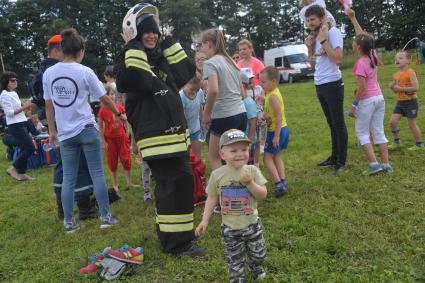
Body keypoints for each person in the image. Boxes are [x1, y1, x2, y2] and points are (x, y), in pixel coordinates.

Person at [115, 3, 203, 256]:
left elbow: (187, 72)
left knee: (183, 182)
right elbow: (140, 80)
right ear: (135, 33)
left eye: (155, 32)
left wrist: (169, 41)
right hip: (156, 139)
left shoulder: (160, 58)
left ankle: (179, 237)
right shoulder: (126, 61)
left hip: (175, 136)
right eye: (146, 32)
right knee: (170, 185)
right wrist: (132, 46)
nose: (151, 36)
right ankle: (175, 244)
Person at [44, 28, 123, 233]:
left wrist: (52, 130)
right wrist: (119, 114)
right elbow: (104, 99)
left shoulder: (49, 73)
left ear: (62, 49)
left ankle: (69, 222)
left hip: (65, 134)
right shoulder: (85, 71)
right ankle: (105, 217)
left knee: (68, 177)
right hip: (87, 129)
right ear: (80, 51)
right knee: (97, 173)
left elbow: (48, 106)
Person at [195, 129, 267, 282]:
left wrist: (250, 183)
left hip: (252, 225)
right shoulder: (218, 175)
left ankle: (255, 265)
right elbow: (212, 198)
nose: (240, 154)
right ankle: (237, 278)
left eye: (244, 149)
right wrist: (205, 220)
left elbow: (262, 194)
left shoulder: (252, 171)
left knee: (259, 255)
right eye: (233, 150)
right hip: (230, 228)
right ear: (222, 154)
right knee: (234, 260)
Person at [347, 9, 392, 175]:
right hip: (379, 99)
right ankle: (386, 164)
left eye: (354, 42)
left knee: (362, 133)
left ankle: (374, 164)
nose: (353, 43)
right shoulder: (373, 55)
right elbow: (364, 37)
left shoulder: (360, 63)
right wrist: (353, 18)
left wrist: (354, 106)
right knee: (378, 131)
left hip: (366, 101)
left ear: (358, 47)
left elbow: (362, 88)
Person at [305, 5, 347, 174]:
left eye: (312, 19)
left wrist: (323, 41)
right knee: (331, 123)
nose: (309, 23)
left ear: (322, 18)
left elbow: (338, 59)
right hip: (320, 83)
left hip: (333, 83)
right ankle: (334, 157)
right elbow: (313, 65)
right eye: (307, 20)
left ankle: (341, 162)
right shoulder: (315, 37)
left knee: (338, 123)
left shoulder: (333, 32)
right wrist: (309, 47)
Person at [201, 28, 247, 171]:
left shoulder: (210, 63)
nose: (202, 49)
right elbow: (242, 92)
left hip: (223, 116)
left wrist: (206, 114)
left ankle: (223, 191)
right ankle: (242, 186)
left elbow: (213, 90)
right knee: (237, 156)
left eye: (202, 45)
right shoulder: (231, 62)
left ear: (208, 44)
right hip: (241, 113)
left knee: (215, 157)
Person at [98, 84, 137, 192]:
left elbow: (126, 122)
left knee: (126, 159)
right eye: (109, 94)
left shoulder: (120, 108)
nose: (111, 96)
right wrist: (103, 142)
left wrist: (127, 134)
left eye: (113, 94)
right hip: (110, 140)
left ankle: (129, 182)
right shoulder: (102, 111)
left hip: (121, 138)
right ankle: (115, 184)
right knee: (112, 161)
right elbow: (100, 127)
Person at [259, 66, 290, 196]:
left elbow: (278, 116)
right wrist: (264, 116)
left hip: (276, 131)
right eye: (260, 81)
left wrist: (276, 136)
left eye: (264, 82)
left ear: (273, 81)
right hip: (283, 128)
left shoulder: (272, 96)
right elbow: (271, 113)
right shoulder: (272, 93)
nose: (261, 84)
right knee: (277, 155)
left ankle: (278, 185)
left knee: (267, 158)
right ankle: (282, 181)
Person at [0, 71, 35, 181]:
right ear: (6, 82)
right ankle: (13, 168)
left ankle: (22, 173)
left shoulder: (14, 93)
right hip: (14, 125)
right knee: (30, 147)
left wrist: (27, 107)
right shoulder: (4, 95)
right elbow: (9, 113)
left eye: (16, 80)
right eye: (12, 80)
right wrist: (24, 107)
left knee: (26, 147)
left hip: (21, 123)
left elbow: (19, 110)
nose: (15, 82)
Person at [388, 51, 423, 150]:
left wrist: (400, 89)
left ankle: (419, 144)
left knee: (412, 124)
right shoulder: (396, 74)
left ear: (408, 60)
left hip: (411, 102)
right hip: (400, 102)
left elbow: (416, 87)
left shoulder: (411, 73)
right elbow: (396, 90)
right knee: (392, 122)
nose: (397, 60)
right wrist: (392, 87)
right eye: (396, 58)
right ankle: (397, 142)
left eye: (400, 58)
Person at [241, 67, 265, 167]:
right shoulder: (243, 93)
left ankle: (256, 162)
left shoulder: (258, 89)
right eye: (248, 79)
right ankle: (250, 161)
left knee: (258, 141)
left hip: (259, 119)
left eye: (251, 78)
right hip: (250, 119)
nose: (250, 81)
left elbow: (264, 100)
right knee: (252, 139)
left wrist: (261, 98)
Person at [179, 76, 203, 157]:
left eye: (197, 90)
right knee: (186, 156)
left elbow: (200, 108)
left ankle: (197, 169)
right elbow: (181, 116)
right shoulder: (181, 96)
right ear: (184, 84)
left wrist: (202, 121)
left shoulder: (200, 92)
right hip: (183, 131)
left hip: (195, 128)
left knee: (196, 155)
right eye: (192, 89)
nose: (194, 92)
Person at [240, 70, 258, 165]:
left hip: (247, 142)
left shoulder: (248, 103)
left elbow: (253, 124)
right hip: (240, 141)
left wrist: (250, 143)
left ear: (244, 86)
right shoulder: (239, 102)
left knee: (248, 166)